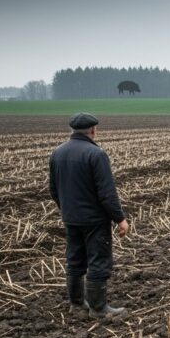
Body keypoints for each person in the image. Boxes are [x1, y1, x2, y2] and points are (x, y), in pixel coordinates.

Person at [48, 113, 129, 318]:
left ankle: (76, 305)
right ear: (93, 130)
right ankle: (98, 309)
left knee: (74, 260)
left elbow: (53, 189)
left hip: (71, 218)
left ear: (73, 131)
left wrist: (66, 208)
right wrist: (120, 219)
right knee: (98, 260)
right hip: (94, 220)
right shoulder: (96, 154)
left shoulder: (57, 153)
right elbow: (107, 193)